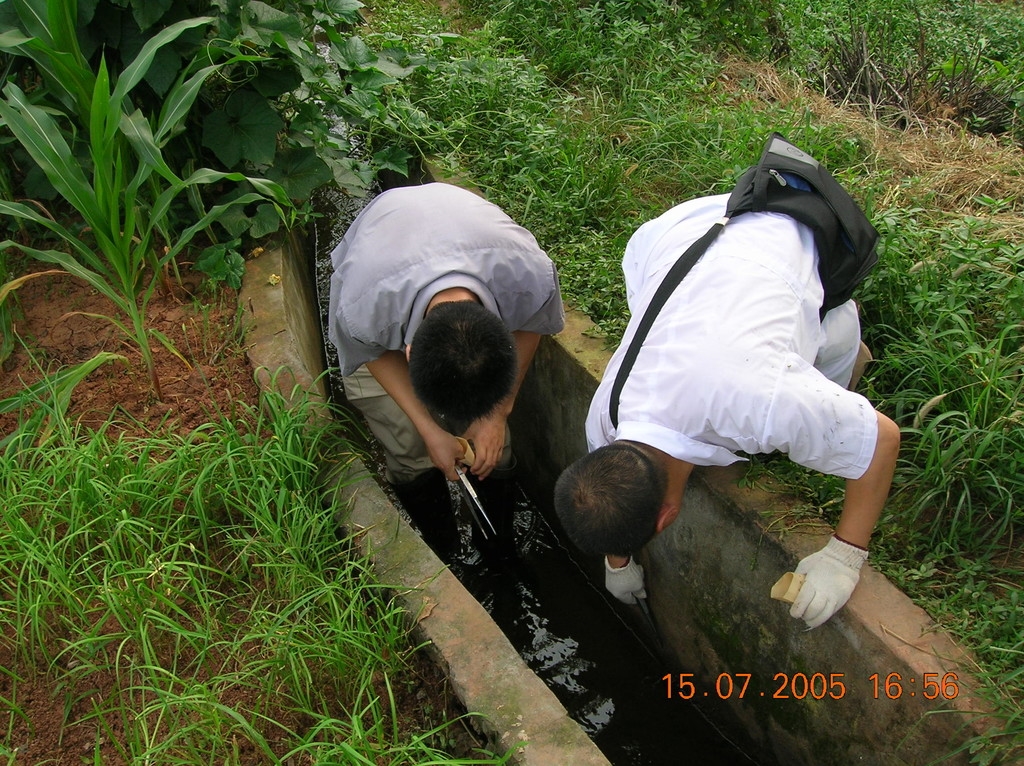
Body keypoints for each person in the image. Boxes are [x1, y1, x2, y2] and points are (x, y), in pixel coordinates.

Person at [553, 191, 900, 629]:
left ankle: (838, 331)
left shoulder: (759, 405)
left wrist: (844, 556)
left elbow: (882, 441)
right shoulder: (606, 417)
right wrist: (617, 564)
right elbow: (608, 496)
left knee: (832, 353)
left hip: (787, 228)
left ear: (667, 517)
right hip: (680, 235)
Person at [328, 182, 565, 555]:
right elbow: (372, 355)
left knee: (493, 441)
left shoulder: (530, 278)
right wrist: (429, 428)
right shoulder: (362, 307)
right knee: (407, 441)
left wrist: (498, 413)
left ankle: (497, 551)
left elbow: (533, 324)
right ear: (408, 353)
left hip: (466, 232)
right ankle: (444, 550)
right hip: (384, 243)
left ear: (502, 332)